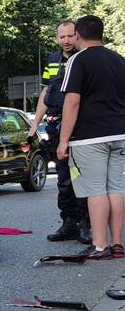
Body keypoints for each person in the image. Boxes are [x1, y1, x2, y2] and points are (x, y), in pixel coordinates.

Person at [55, 15, 125, 259]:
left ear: (78, 34)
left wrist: (63, 140)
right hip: (120, 133)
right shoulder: (119, 59)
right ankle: (118, 244)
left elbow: (72, 102)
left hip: (89, 137)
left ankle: (100, 246)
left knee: (96, 191)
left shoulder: (78, 60)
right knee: (116, 189)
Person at [29, 20, 91, 244]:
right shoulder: (53, 59)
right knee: (64, 179)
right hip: (56, 127)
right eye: (61, 36)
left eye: (70, 35)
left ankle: (86, 223)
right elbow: (46, 92)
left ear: (78, 35)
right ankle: (68, 222)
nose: (66, 40)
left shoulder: (85, 58)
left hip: (81, 127)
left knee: (82, 178)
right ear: (57, 38)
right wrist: (34, 125)